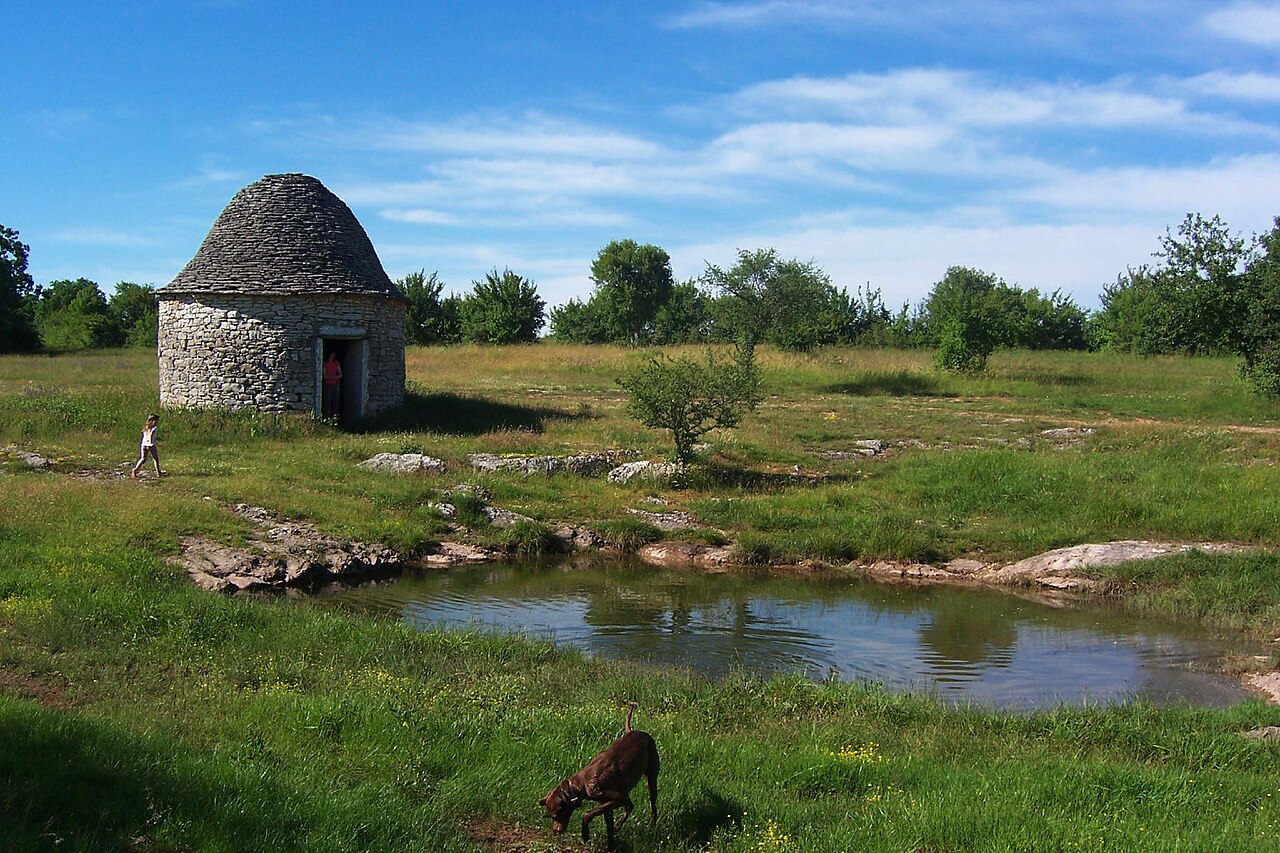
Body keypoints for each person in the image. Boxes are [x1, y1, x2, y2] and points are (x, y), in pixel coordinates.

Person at [130, 413, 164, 479]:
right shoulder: (154, 428)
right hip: (150, 445)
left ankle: (135, 469)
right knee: (155, 458)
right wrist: (151, 442)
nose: (157, 422)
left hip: (143, 444)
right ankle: (158, 472)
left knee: (143, 458)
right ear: (153, 421)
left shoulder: (146, 427)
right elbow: (151, 435)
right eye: (156, 421)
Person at [322, 351, 343, 418]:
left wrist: (330, 377)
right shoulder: (325, 364)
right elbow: (324, 376)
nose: (332, 356)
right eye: (331, 354)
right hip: (327, 385)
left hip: (335, 385)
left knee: (335, 400)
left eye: (334, 355)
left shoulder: (336, 363)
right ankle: (327, 417)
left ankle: (335, 417)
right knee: (327, 401)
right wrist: (335, 377)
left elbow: (340, 374)